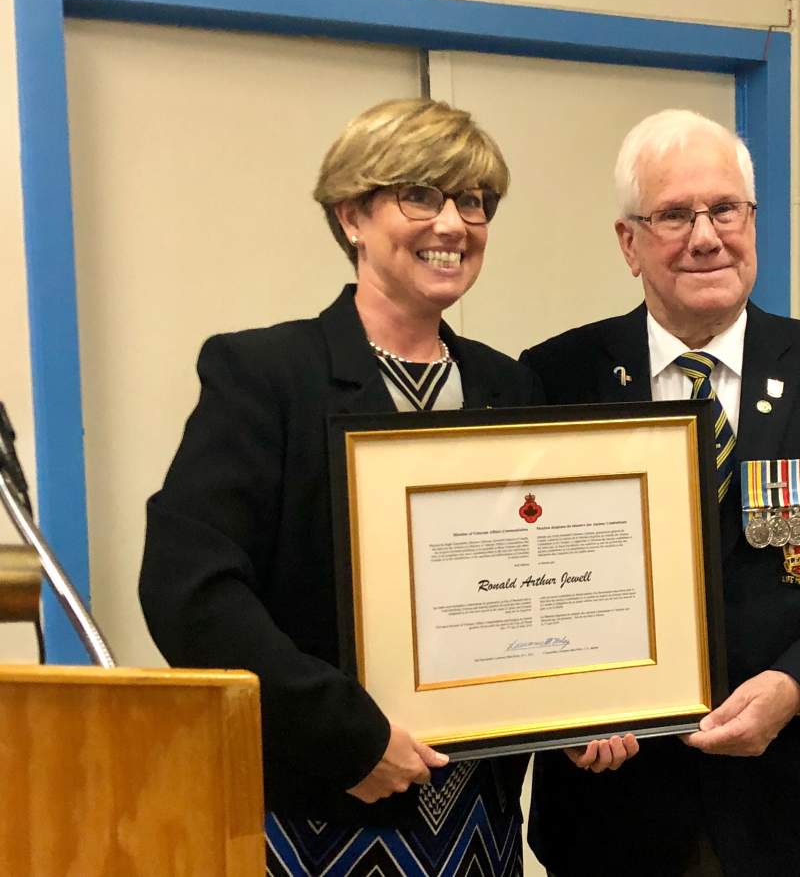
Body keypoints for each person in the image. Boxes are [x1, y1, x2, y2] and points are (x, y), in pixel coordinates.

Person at [139, 99, 631, 877]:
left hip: (481, 821)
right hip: (323, 808)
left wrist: (584, 703)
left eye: (473, 202)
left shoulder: (511, 386)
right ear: (351, 216)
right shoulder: (266, 377)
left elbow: (538, 581)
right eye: (421, 195)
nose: (453, 224)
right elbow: (190, 594)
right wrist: (346, 737)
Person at [519, 110, 800, 877]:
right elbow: (525, 578)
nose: (704, 235)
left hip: (788, 809)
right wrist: (561, 712)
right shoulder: (554, 377)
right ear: (628, 242)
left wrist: (796, 686)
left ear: (752, 221)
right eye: (673, 214)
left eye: (725, 210)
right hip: (611, 811)